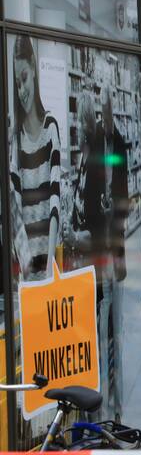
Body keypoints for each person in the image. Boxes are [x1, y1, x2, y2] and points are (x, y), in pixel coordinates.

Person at [10, 35, 61, 279]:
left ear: (34, 70)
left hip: (49, 264)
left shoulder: (51, 127)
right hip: (26, 268)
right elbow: (14, 205)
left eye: (24, 79)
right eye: (17, 84)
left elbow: (55, 199)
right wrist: (24, 262)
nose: (22, 90)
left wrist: (50, 263)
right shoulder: (16, 139)